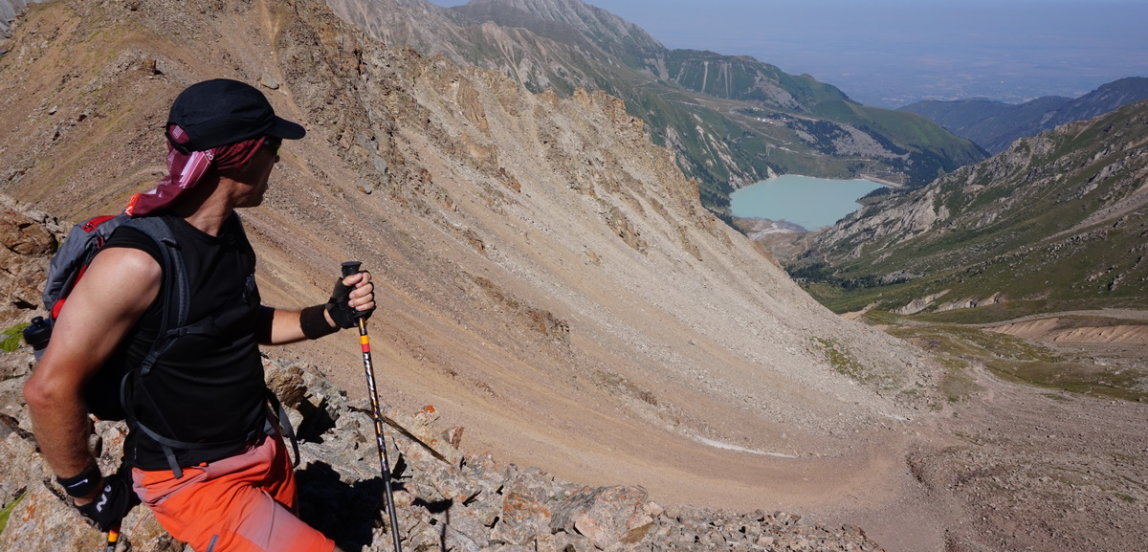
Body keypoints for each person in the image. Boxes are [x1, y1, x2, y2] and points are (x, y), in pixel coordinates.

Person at [23, 79, 373, 552]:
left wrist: (331, 316)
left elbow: (239, 323)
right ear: (245, 155)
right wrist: (87, 491)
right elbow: (47, 390)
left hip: (263, 453)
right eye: (274, 149)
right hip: (195, 481)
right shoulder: (136, 263)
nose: (277, 163)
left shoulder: (226, 231)